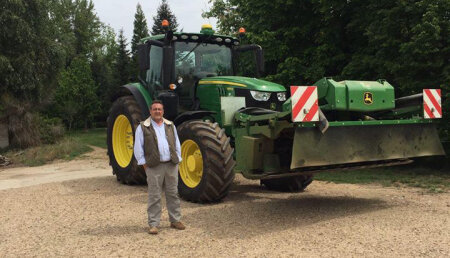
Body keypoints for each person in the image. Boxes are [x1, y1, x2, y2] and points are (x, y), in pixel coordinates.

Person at [133, 100, 185, 234]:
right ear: (150, 111)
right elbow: (138, 148)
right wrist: (145, 165)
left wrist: (177, 159)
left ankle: (175, 220)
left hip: (171, 164)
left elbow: (177, 143)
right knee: (154, 196)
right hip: (154, 166)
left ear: (163, 111)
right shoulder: (143, 127)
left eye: (159, 109)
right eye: (155, 109)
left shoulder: (170, 125)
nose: (157, 111)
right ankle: (154, 224)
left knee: (173, 193)